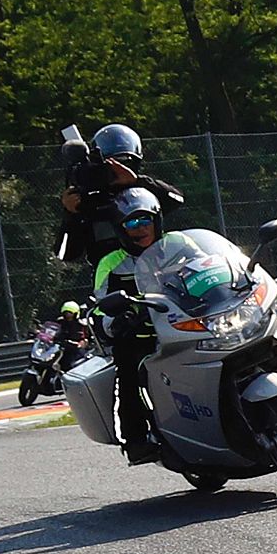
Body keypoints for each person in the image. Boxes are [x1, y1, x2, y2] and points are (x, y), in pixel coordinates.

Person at [93, 187, 184, 464]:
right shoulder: (110, 263)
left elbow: (210, 265)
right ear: (121, 229)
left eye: (145, 220)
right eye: (131, 223)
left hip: (185, 322)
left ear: (157, 220)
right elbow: (99, 307)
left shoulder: (179, 244)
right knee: (128, 375)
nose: (140, 228)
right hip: (138, 334)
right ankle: (135, 439)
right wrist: (115, 321)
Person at [57, 124, 186, 266]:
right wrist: (71, 215)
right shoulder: (89, 202)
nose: (116, 170)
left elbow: (177, 199)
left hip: (155, 276)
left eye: (123, 164)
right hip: (111, 281)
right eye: (109, 165)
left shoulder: (145, 195)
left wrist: (138, 181)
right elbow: (64, 254)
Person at [55, 300, 89, 371]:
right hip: (60, 348)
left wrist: (77, 343)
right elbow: (53, 330)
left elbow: (83, 339)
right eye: (66, 313)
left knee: (71, 364)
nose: (68, 315)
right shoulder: (60, 322)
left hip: (74, 350)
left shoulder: (80, 325)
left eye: (70, 313)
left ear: (76, 314)